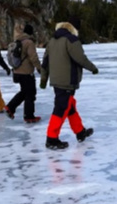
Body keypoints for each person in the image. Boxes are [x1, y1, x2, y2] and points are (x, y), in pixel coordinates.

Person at [40, 16, 99, 149]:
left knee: (70, 106)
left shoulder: (52, 40)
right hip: (67, 81)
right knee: (61, 108)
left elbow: (45, 62)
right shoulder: (71, 40)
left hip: (56, 81)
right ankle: (51, 138)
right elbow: (81, 58)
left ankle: (80, 132)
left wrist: (44, 79)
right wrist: (93, 68)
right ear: (74, 28)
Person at [4, 24, 42, 123]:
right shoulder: (29, 43)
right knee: (30, 93)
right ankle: (28, 116)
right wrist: (39, 68)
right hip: (26, 73)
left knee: (24, 92)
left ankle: (10, 108)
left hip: (17, 72)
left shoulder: (17, 41)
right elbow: (33, 57)